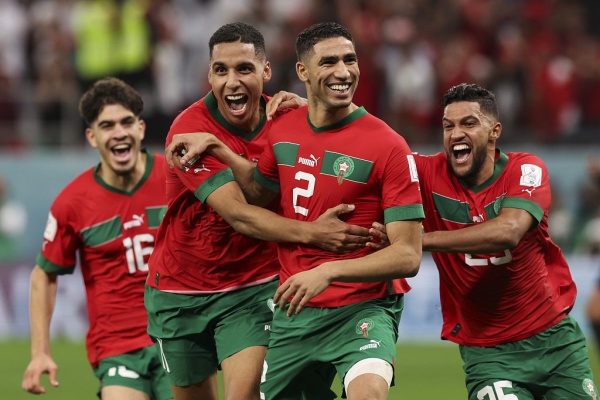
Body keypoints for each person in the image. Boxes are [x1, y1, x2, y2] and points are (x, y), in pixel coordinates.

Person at [167, 21, 425, 400]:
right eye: (329, 62)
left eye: (350, 60)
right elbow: (257, 193)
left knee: (368, 393)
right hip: (295, 310)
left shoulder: (389, 146)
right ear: (303, 71)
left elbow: (408, 255)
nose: (343, 72)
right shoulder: (283, 128)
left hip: (362, 307)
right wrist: (219, 148)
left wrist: (328, 270)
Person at [411, 83, 597, 399]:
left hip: (556, 343)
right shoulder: (427, 173)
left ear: (494, 131)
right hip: (489, 353)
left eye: (468, 123)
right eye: (448, 126)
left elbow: (508, 231)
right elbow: (375, 153)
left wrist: (422, 240)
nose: (456, 134)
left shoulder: (526, 169)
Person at [21, 77, 173, 400]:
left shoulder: (175, 180)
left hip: (180, 336)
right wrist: (40, 352)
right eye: (107, 125)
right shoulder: (72, 203)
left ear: (141, 129)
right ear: (92, 136)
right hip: (117, 348)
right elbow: (43, 275)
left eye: (126, 122)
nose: (119, 132)